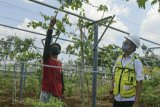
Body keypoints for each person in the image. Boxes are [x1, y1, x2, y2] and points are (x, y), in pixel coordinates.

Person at [110, 34, 144, 107]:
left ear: (132, 47)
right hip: (116, 98)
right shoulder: (119, 59)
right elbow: (114, 77)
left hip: (129, 100)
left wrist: (136, 102)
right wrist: (111, 92)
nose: (124, 44)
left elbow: (140, 83)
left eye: (127, 43)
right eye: (124, 42)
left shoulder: (136, 62)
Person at [40, 16, 64, 102]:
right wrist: (50, 26)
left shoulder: (60, 63)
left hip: (57, 93)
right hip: (47, 92)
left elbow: (61, 78)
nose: (55, 48)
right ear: (50, 51)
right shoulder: (47, 59)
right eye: (54, 47)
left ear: (59, 51)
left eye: (57, 47)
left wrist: (63, 91)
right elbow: (47, 43)